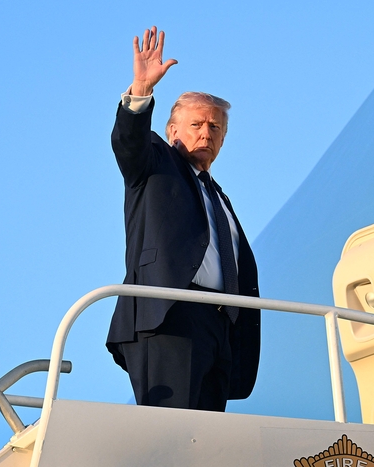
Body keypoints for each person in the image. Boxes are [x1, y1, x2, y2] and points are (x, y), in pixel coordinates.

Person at [105, 27, 260, 411]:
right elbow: (130, 141)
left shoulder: (218, 196)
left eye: (215, 128)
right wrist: (141, 89)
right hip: (170, 316)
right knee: (172, 437)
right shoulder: (156, 163)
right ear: (172, 131)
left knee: (207, 443)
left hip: (219, 325)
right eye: (197, 125)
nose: (206, 133)